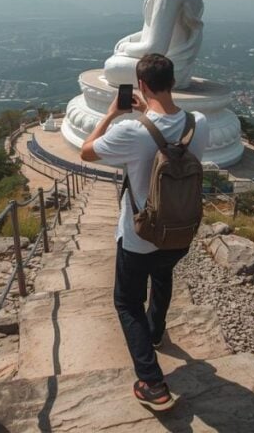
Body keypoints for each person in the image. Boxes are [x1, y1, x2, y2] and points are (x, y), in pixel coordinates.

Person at [80, 53, 209, 411]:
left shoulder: (131, 132)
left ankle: (152, 382)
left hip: (139, 236)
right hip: (179, 232)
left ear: (141, 85)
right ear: (173, 82)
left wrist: (112, 114)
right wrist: (150, 112)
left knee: (127, 302)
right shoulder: (199, 124)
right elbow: (170, 129)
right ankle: (154, 332)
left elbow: (86, 152)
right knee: (163, 276)